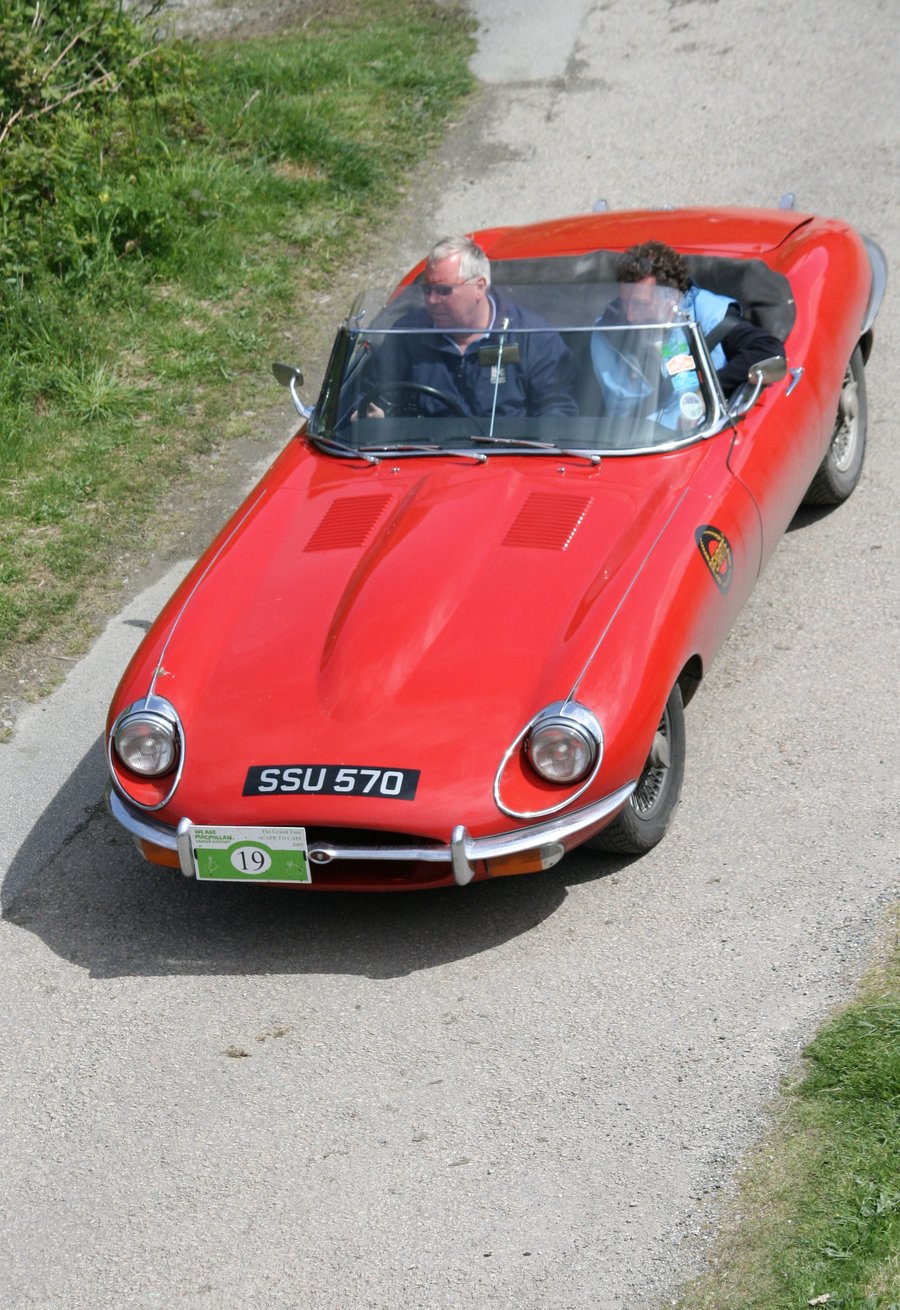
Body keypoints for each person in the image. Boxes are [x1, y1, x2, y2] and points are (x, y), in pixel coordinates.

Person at [356, 235, 578, 419]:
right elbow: (371, 396)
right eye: (427, 290)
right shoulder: (408, 334)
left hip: (507, 461)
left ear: (479, 287)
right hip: (426, 458)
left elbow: (557, 412)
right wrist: (370, 418)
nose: (431, 300)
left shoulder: (532, 338)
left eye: (443, 290)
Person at [591, 240, 785, 427]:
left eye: (641, 305)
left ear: (672, 297)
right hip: (632, 442)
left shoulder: (710, 315)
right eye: (625, 302)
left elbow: (767, 350)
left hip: (702, 437)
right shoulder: (607, 334)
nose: (630, 316)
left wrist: (707, 393)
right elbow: (610, 412)